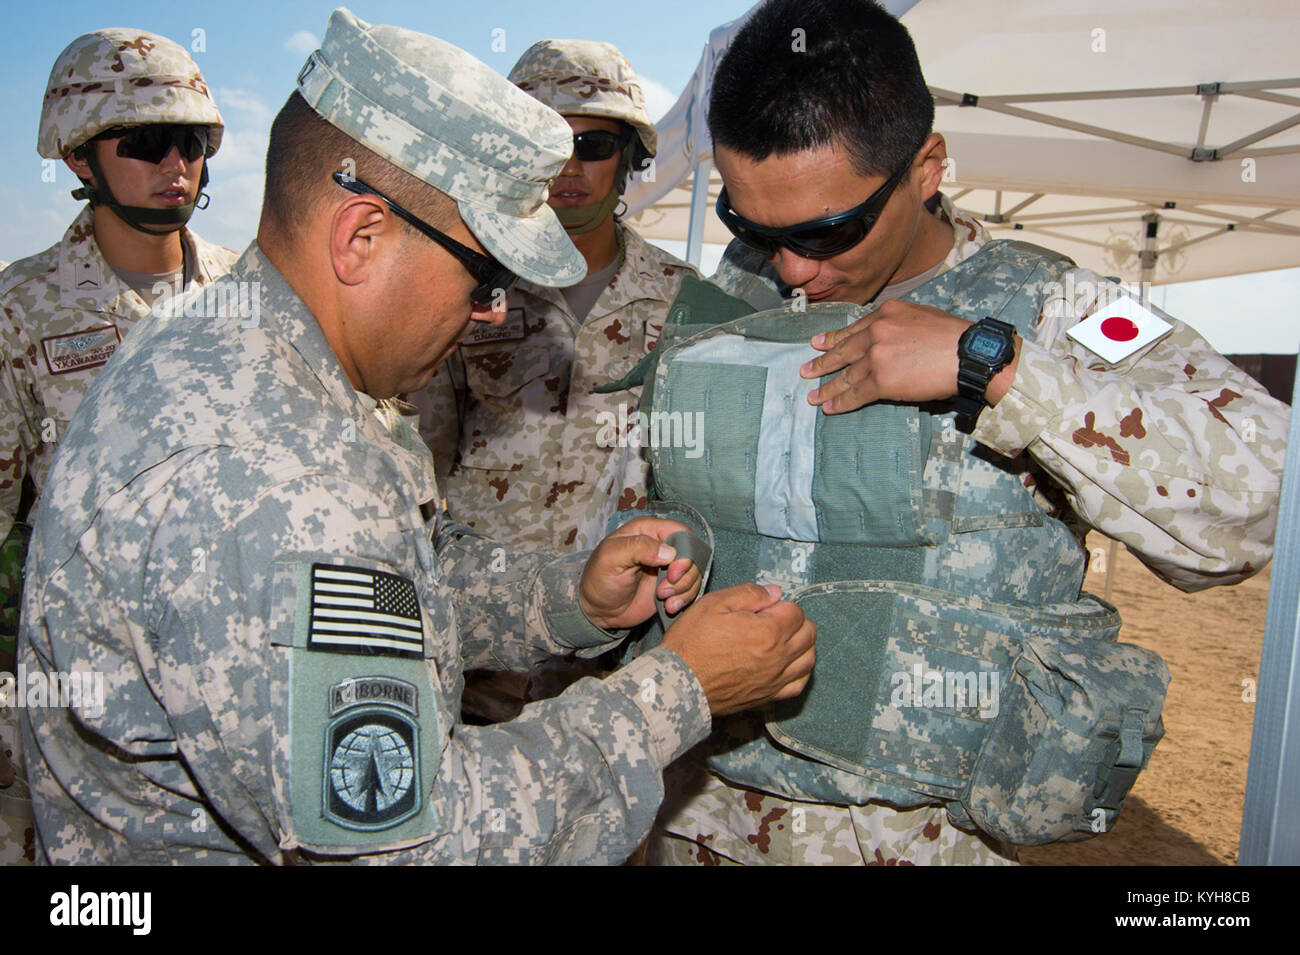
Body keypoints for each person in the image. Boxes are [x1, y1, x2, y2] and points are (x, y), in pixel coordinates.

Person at [17, 8, 814, 865]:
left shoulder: (247, 348)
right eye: (485, 275)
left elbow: (392, 592)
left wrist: (566, 600)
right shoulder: (276, 471)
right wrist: (678, 691)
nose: (493, 312)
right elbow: (412, 840)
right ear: (362, 237)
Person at [632, 0, 1290, 865]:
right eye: (754, 227)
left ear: (926, 168)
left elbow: (1258, 494)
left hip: (915, 840)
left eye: (828, 230)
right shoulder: (734, 302)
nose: (793, 267)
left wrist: (1001, 367)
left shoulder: (1069, 308)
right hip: (699, 820)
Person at [0, 27, 236, 867]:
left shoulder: (251, 296)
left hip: (235, 706)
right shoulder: (20, 312)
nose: (178, 164)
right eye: (145, 142)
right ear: (77, 158)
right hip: (87, 726)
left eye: (194, 141)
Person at [412, 39, 698, 720]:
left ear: (631, 156)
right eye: (547, 144)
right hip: (474, 651)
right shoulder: (464, 287)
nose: (570, 166)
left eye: (594, 144)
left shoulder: (686, 303)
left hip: (614, 658)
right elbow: (420, 469)